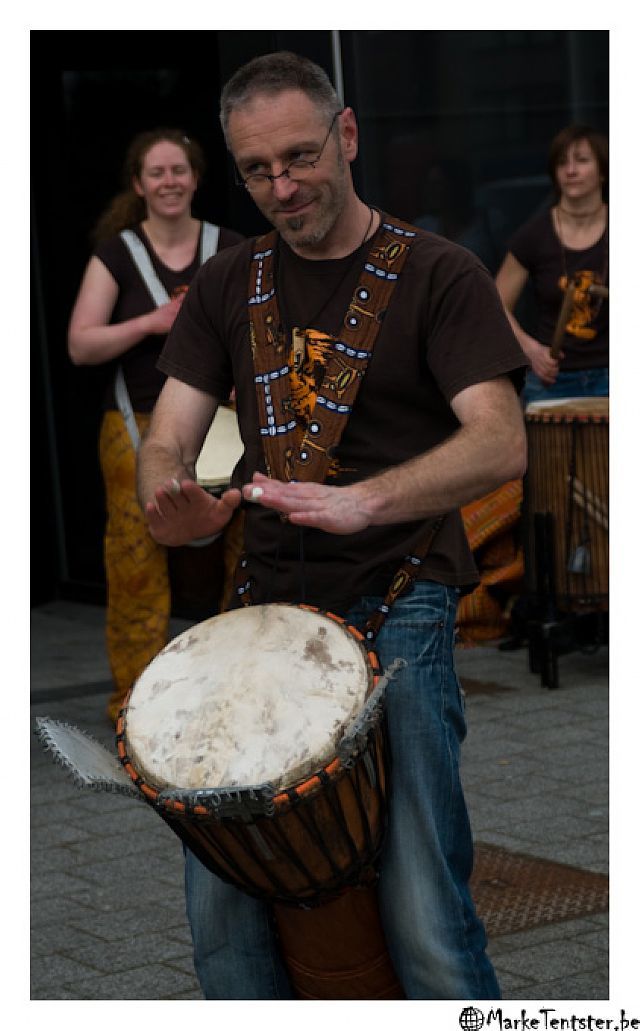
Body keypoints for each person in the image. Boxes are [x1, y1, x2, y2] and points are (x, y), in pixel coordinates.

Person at [137, 52, 528, 1000]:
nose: (282, 186)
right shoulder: (227, 283)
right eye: (258, 169)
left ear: (347, 135)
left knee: (423, 910)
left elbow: (501, 441)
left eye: (301, 157)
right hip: (264, 607)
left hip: (403, 595)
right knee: (221, 912)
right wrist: (172, 501)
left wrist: (367, 500)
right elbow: (167, 440)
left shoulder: (440, 272)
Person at [67, 128, 243, 724]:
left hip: (228, 422)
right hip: (136, 424)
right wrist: (152, 321)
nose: (170, 181)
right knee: (136, 562)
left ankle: (241, 687)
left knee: (247, 553)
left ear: (196, 178)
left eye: (179, 170)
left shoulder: (231, 247)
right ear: (139, 184)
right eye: (157, 172)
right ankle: (136, 707)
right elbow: (81, 345)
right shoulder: (117, 253)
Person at [495, 124, 608, 406]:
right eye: (562, 162)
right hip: (553, 381)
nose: (570, 170)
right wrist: (531, 349)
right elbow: (495, 303)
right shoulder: (534, 234)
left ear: (603, 171)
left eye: (582, 160)